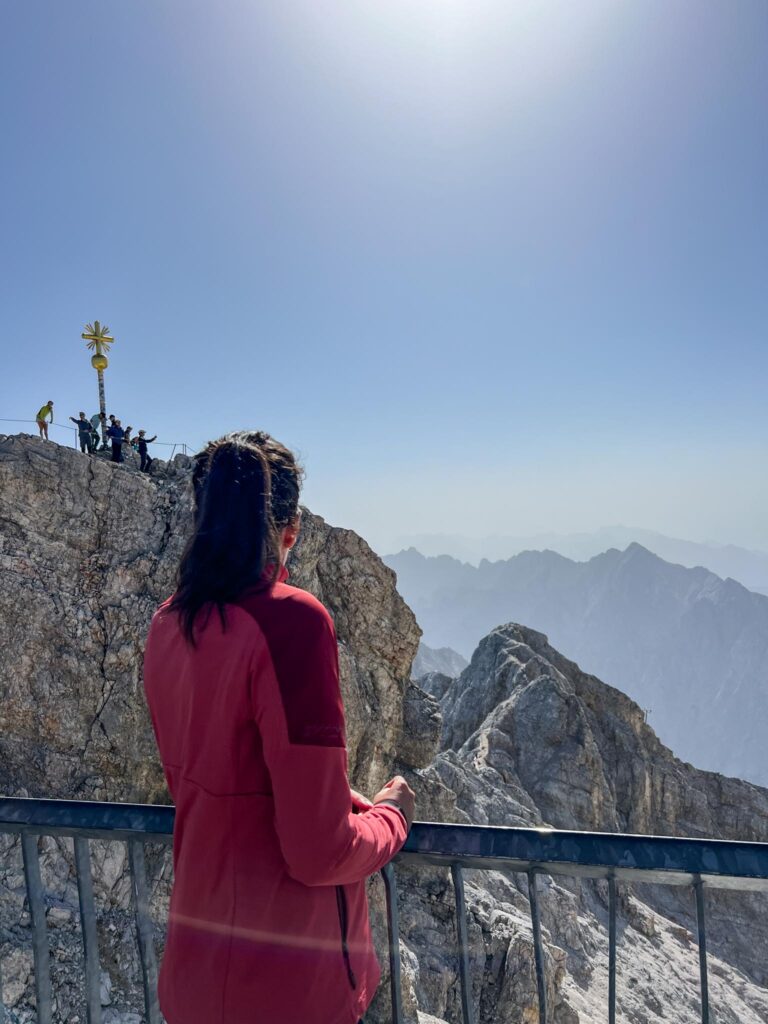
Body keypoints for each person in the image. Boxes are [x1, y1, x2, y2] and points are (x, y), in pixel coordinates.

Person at [143, 431, 415, 1024]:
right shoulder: (292, 623)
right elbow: (319, 853)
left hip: (194, 974)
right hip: (287, 990)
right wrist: (394, 815)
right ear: (288, 529)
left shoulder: (167, 626)